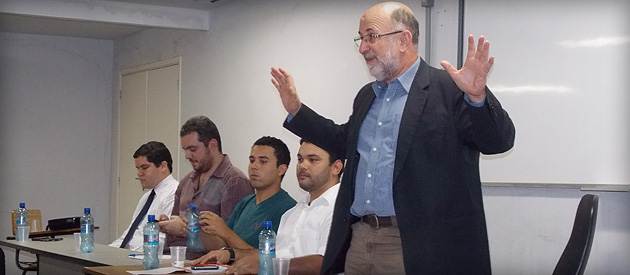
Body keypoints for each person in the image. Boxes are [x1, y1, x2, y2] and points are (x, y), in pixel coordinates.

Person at [270, 2, 516, 274]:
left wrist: (477, 98)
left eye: (371, 37)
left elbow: (498, 141)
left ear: (404, 39)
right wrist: (297, 111)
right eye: (360, 39)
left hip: (419, 244)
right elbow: (343, 141)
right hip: (360, 238)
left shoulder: (448, 88)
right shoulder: (367, 96)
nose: (363, 47)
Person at [191, 140, 344, 275]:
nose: (303, 166)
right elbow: (276, 255)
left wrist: (268, 265)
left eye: (313, 160)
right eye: (300, 159)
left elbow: (326, 263)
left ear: (336, 167)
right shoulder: (295, 211)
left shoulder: (341, 210)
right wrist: (231, 254)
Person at [157, 116, 254, 259]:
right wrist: (169, 223)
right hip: (173, 259)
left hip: (206, 266)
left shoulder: (234, 182)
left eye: (193, 149)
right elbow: (178, 218)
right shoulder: (187, 181)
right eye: (185, 150)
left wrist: (185, 230)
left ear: (212, 145)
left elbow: (232, 242)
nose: (187, 156)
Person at [197, 136, 296, 251]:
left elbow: (265, 259)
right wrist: (199, 229)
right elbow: (220, 245)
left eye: (263, 162)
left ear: (281, 170)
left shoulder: (289, 209)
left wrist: (225, 231)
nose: (254, 166)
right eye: (252, 160)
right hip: (230, 268)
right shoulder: (245, 203)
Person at [109, 141, 179, 251]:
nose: (139, 173)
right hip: (131, 256)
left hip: (147, 259)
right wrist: (109, 252)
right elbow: (129, 235)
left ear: (163, 166)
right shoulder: (146, 197)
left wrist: (124, 254)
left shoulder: (174, 194)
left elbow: (160, 242)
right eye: (138, 168)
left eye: (144, 167)